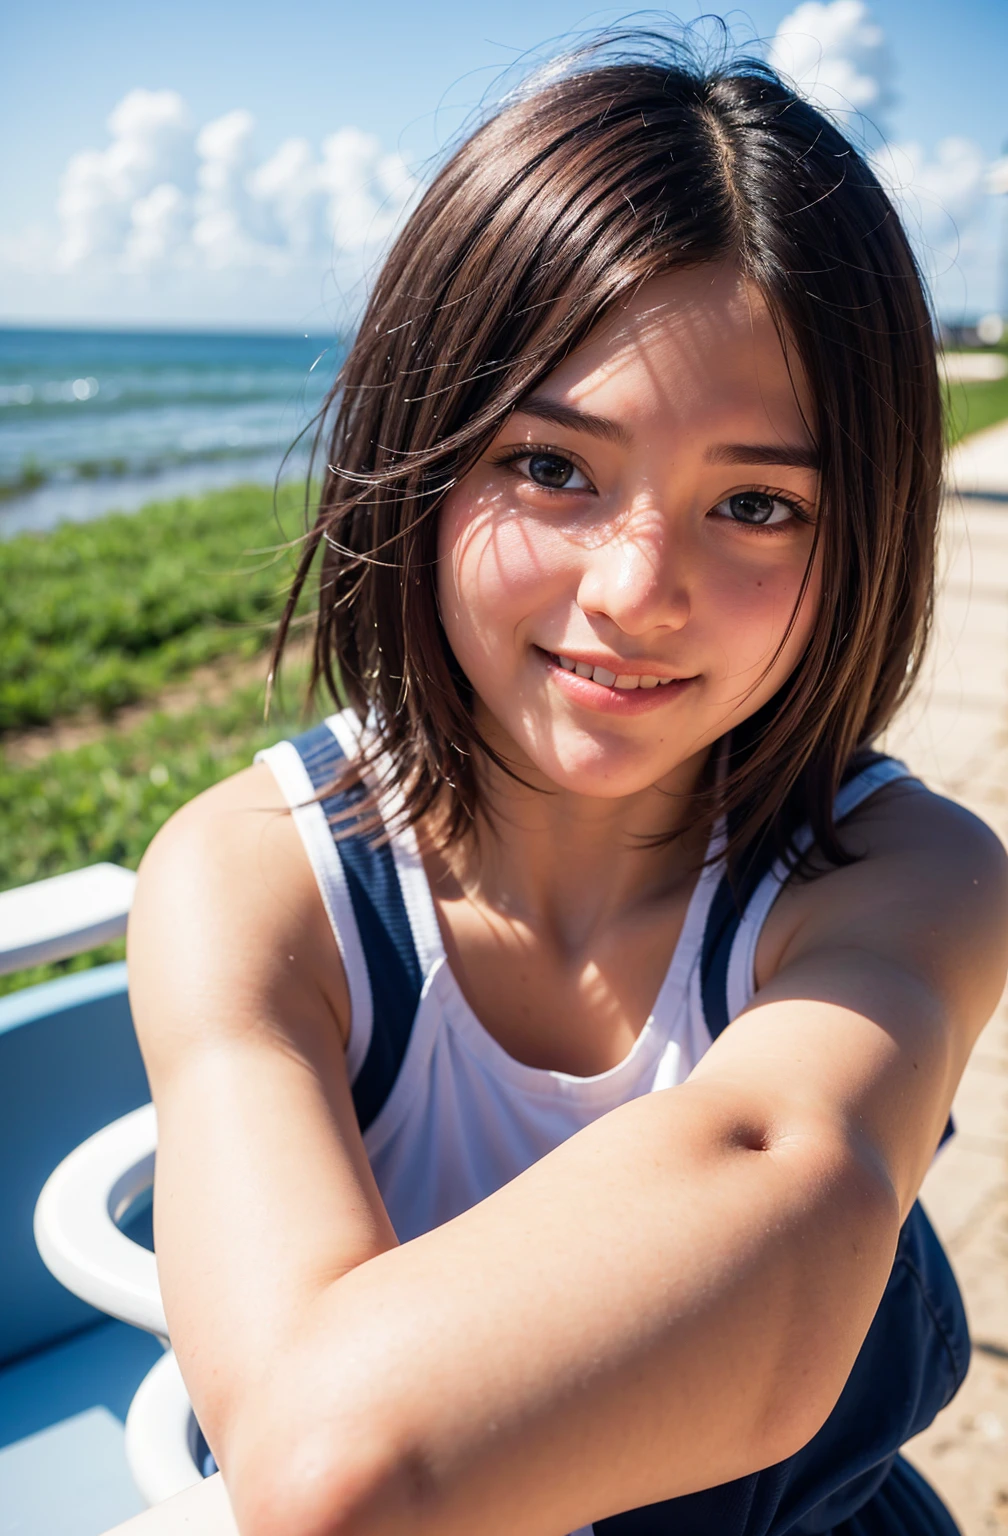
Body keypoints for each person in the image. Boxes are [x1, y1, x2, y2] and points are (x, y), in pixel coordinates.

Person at [128, 34, 1008, 1536]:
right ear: (420, 445)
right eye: (552, 467)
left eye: (754, 503)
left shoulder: (905, 877)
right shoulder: (259, 877)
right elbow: (322, 1465)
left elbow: (780, 1181)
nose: (636, 590)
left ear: (859, 530)